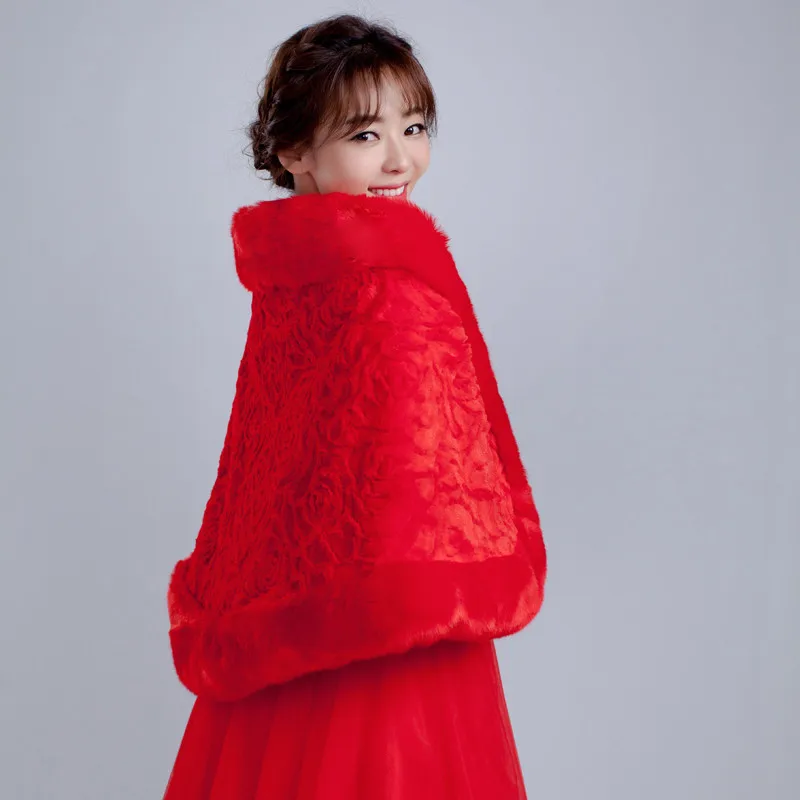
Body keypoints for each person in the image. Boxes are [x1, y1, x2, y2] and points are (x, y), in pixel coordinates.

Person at [162, 12, 547, 800]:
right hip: (397, 623)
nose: (401, 158)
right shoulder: (387, 284)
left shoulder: (293, 275)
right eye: (366, 135)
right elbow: (430, 469)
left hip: (289, 609)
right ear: (294, 151)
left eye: (415, 126)